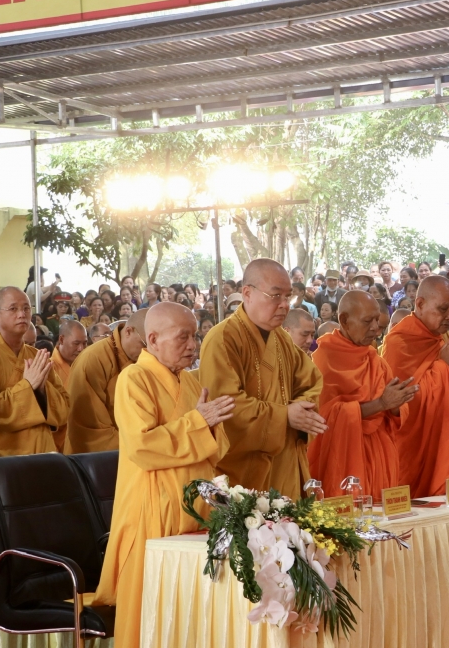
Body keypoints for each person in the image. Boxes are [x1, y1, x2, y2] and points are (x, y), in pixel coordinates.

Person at [93, 303, 233, 648]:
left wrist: (210, 425)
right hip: (152, 509)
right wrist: (199, 422)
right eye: (183, 337)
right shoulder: (133, 379)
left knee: (194, 607)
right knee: (152, 608)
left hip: (196, 508)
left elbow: (218, 447)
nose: (192, 345)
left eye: (195, 336)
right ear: (152, 339)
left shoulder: (191, 380)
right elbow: (142, 446)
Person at [200, 259, 324, 500]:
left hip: (284, 463)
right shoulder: (223, 338)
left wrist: (301, 411)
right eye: (275, 296)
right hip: (243, 474)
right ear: (247, 293)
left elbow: (311, 383)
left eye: (288, 297)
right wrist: (285, 415)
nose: (284, 305)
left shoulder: (282, 339)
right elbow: (225, 405)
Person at [381, 276, 449, 498]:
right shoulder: (399, 343)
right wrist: (445, 366)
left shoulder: (448, 340)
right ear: (419, 304)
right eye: (442, 309)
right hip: (416, 449)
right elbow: (402, 404)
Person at [309, 291, 416, 499]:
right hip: (344, 457)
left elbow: (394, 412)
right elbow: (324, 418)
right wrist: (381, 403)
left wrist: (396, 403)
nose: (376, 328)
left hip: (381, 456)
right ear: (344, 320)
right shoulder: (323, 360)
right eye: (368, 321)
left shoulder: (374, 358)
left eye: (377, 320)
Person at [0, 287, 69, 457]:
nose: (22, 314)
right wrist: (28, 387)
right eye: (13, 309)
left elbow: (64, 408)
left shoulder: (37, 356)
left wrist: (42, 391)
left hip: (45, 452)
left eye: (26, 308)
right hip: (3, 458)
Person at [66, 310, 148, 454]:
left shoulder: (150, 359)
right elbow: (89, 427)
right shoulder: (93, 359)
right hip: (105, 458)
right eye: (145, 344)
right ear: (128, 331)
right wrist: (140, 450)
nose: (150, 351)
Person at [50, 320, 87, 388]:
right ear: (61, 340)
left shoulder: (89, 364)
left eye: (84, 343)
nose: (81, 349)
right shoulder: (49, 369)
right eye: (76, 343)